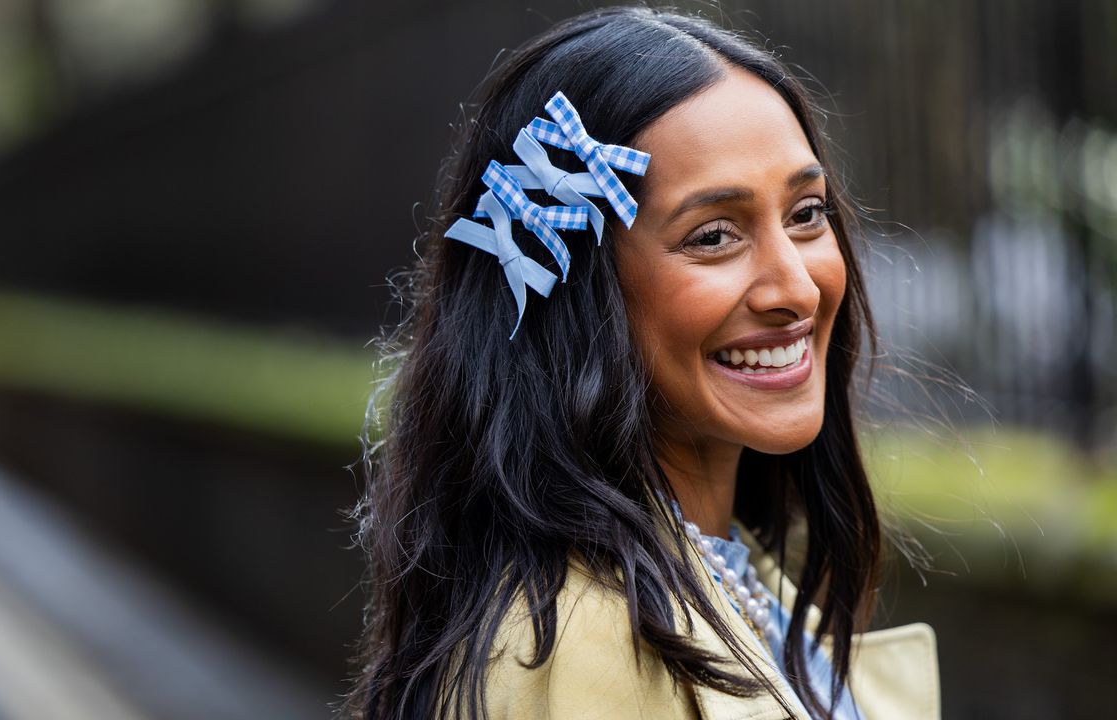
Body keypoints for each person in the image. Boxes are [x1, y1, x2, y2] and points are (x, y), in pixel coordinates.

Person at [346, 6, 939, 719]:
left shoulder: (723, 574)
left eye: (806, 213)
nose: (798, 288)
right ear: (577, 295)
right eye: (714, 235)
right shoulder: (581, 650)